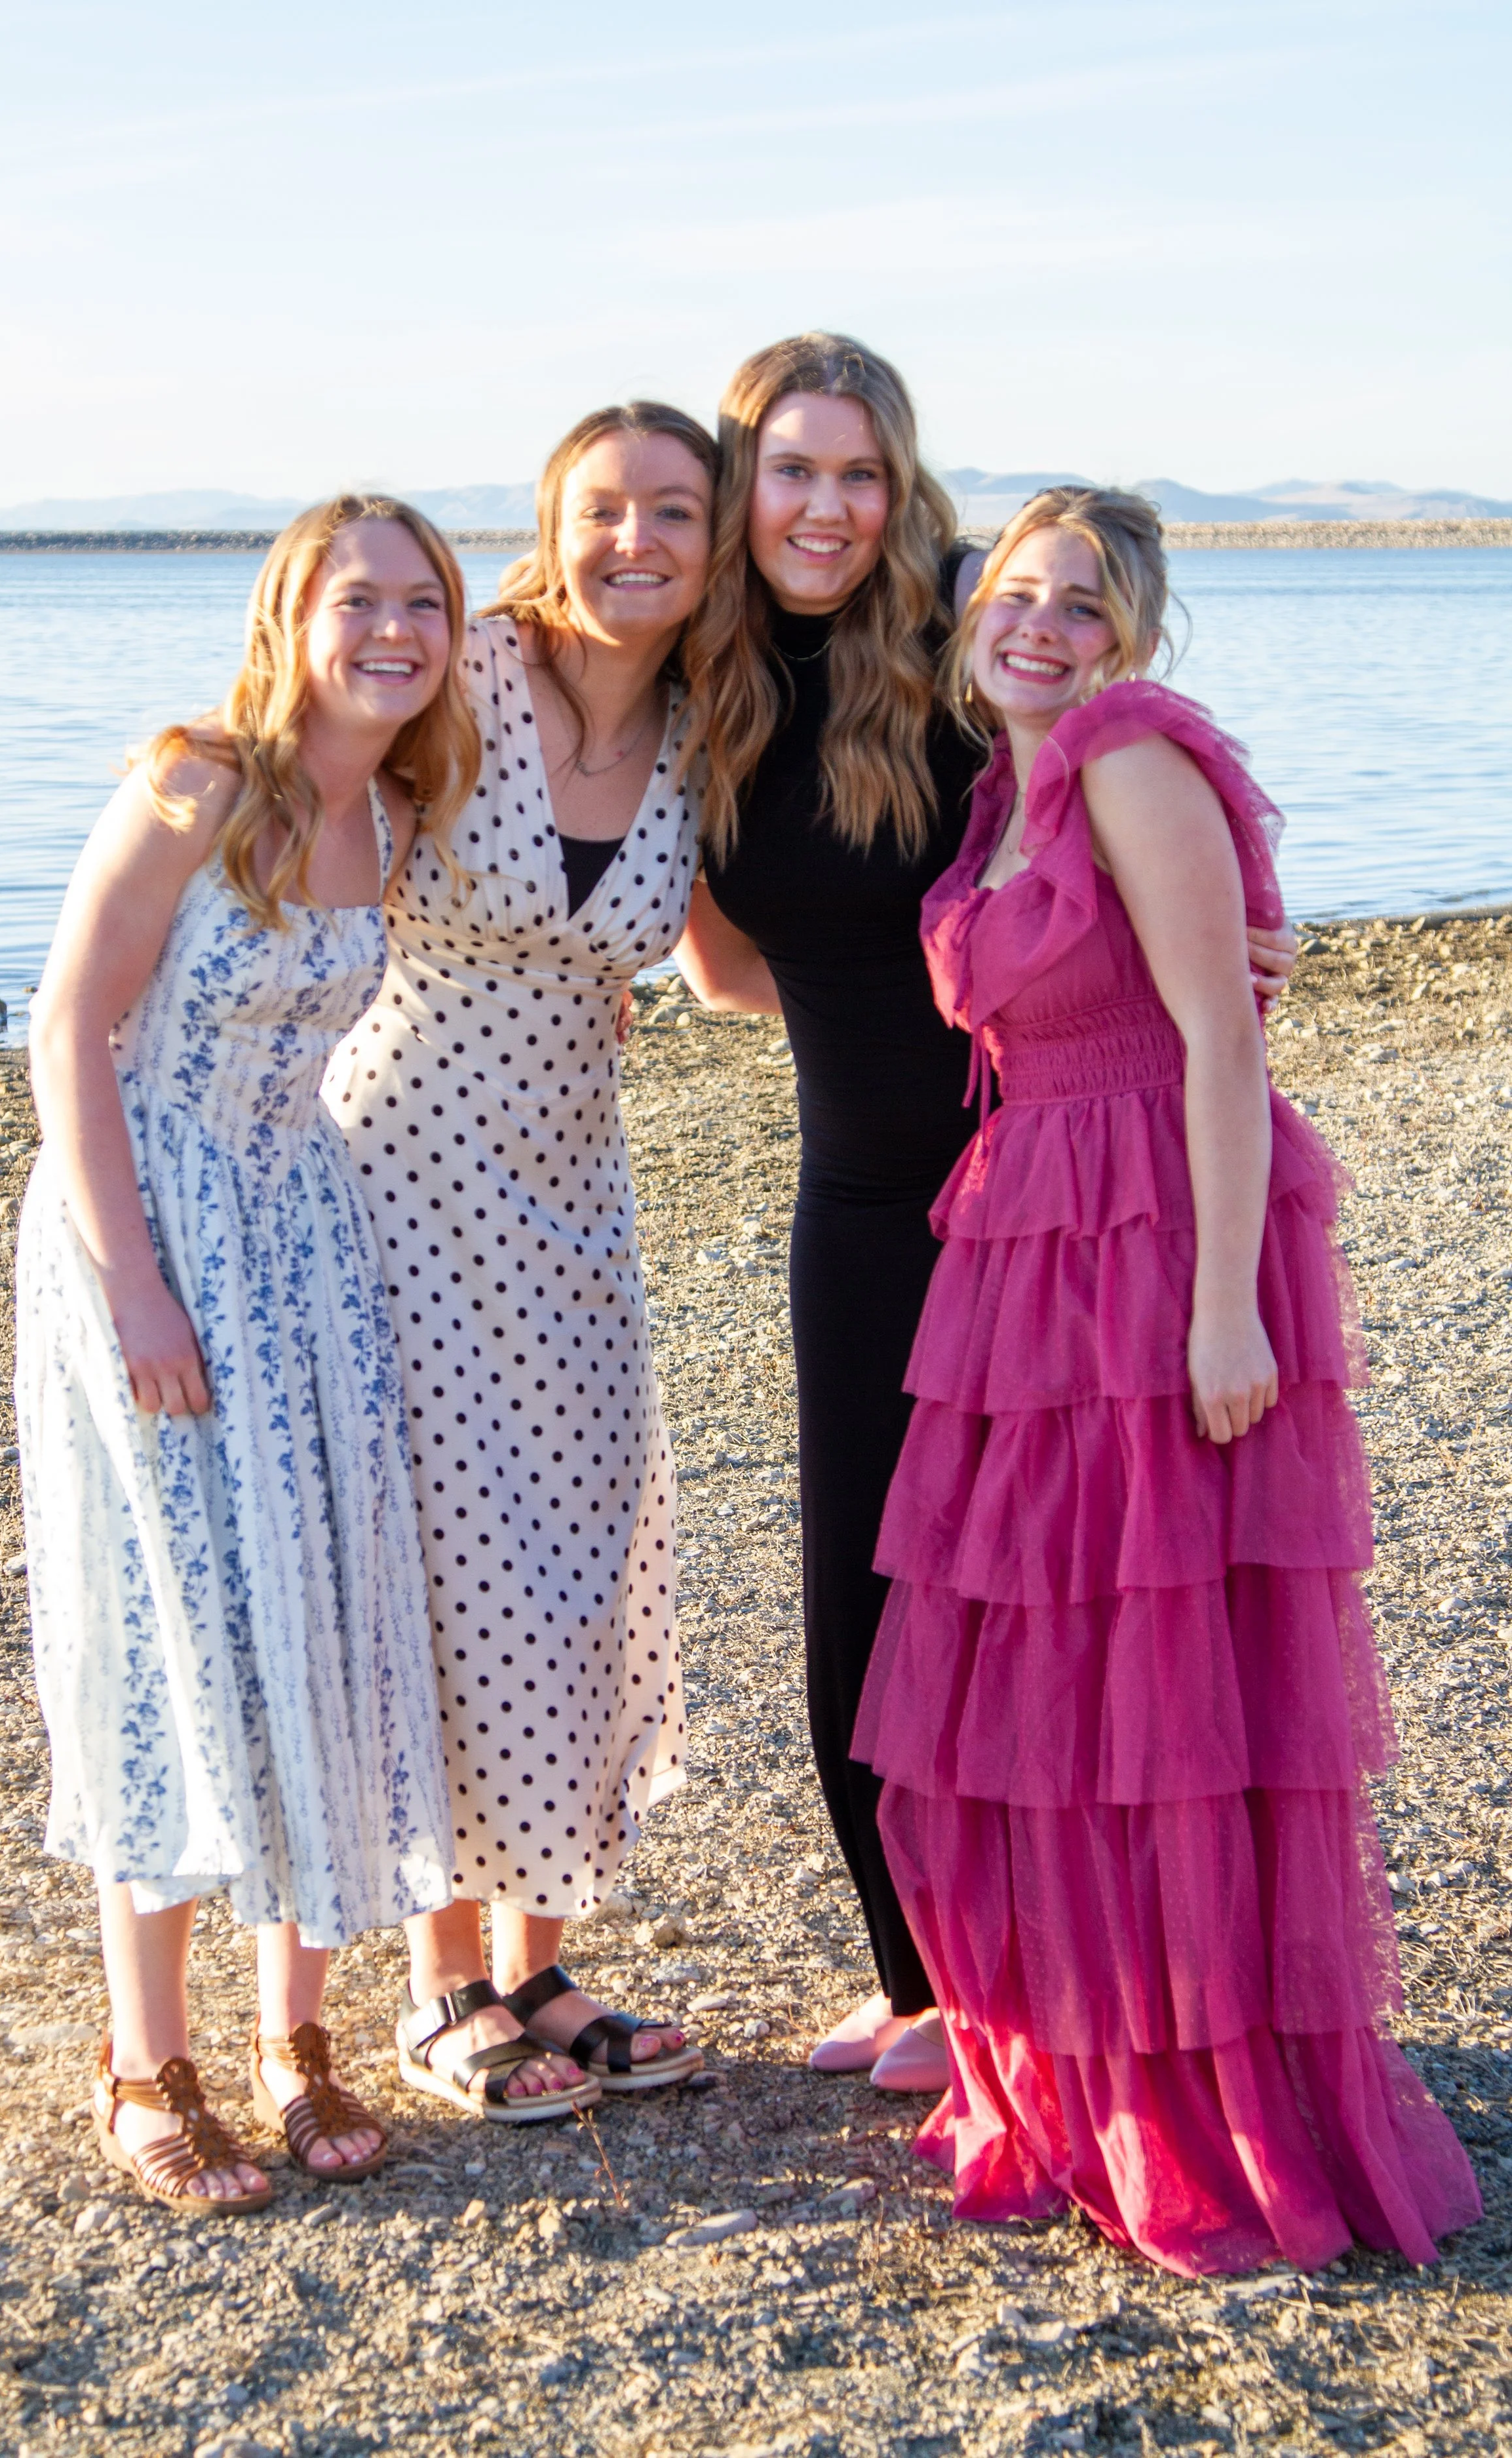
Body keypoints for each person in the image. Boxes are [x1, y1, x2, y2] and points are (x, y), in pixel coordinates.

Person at [852, 486, 1481, 2271]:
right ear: (972, 607)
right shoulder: (1006, 786)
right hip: (1034, 1227)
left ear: (1129, 637)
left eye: (1084, 605)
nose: (1041, 626)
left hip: (1149, 1228)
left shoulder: (1127, 757)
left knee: (1157, 1655)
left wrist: (1223, 1310)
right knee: (1050, 1652)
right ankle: (1086, 2047)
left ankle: (1193, 2087)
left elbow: (1221, 1039)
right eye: (1018, 592)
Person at [676, 335, 1304, 2092]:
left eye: (859, 471)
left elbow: (1124, 781)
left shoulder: (964, 628)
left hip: (1042, 1197)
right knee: (863, 1602)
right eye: (789, 471)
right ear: (741, 488)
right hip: (860, 1200)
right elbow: (723, 959)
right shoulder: (694, 685)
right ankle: (921, 1973)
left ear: (902, 485)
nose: (825, 506)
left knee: (1067, 1601)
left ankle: (1057, 1982)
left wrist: (1238, 947)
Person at [17, 495, 473, 2206]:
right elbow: (68, 1021)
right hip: (148, 1225)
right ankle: (145, 2063)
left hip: (307, 1239)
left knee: (320, 1612)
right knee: (173, 1618)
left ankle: (299, 2038)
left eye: (424, 599)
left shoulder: (399, 810)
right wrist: (131, 1284)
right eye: (359, 596)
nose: (395, 626)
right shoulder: (194, 780)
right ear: (291, 611)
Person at [324, 404, 714, 2117]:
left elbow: (749, 963)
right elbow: (298, 796)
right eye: (604, 509)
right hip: (395, 1171)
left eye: (673, 513)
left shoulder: (716, 724)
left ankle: (538, 1964)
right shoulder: (458, 667)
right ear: (552, 524)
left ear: (710, 545)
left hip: (575, 1201)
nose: (636, 540)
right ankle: (438, 1986)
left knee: (566, 1559)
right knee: (435, 1559)